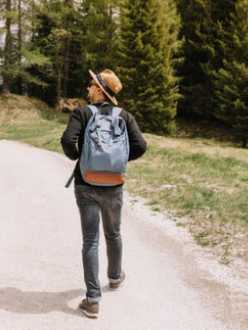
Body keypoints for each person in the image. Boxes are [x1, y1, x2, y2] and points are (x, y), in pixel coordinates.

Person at [60, 69, 147, 319]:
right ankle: (115, 277)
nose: (88, 88)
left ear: (99, 90)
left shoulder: (83, 113)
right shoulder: (125, 116)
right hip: (114, 184)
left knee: (91, 240)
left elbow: (68, 140)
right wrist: (118, 161)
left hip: (86, 183)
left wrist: (79, 158)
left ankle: (93, 300)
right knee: (114, 232)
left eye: (91, 84)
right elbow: (141, 146)